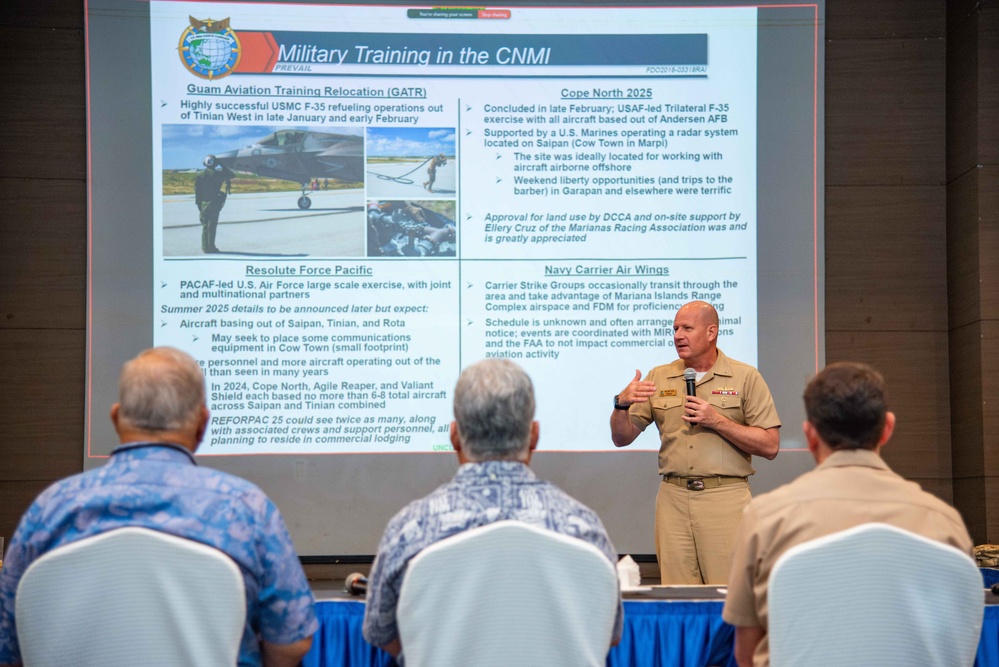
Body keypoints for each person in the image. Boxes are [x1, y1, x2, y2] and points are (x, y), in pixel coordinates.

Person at [0, 347, 317, 667]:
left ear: (115, 417)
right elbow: (292, 643)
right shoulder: (246, 509)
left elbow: (8, 645)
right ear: (203, 423)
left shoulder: (50, 509)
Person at [362, 358, 622, 658]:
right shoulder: (584, 529)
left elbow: (382, 633)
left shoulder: (409, 530)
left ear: (454, 436)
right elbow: (608, 634)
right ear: (534, 435)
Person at [722, 362, 973, 667]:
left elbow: (745, 656)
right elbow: (960, 647)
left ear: (810, 435)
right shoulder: (946, 523)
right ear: (888, 428)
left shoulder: (766, 519)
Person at [610, 300, 781, 584]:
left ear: (711, 332)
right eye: (675, 328)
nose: (678, 335)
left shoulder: (745, 376)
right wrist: (620, 405)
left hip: (725, 498)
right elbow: (621, 437)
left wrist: (716, 420)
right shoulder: (659, 376)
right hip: (673, 499)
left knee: (730, 595)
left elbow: (770, 445)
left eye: (687, 328)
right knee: (677, 595)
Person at [194, 154, 234, 254]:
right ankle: (211, 247)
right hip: (214, 203)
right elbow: (231, 174)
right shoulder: (218, 175)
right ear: (214, 163)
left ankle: (205, 247)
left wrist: (198, 203)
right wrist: (221, 164)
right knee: (212, 226)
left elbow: (197, 191)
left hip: (203, 203)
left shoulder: (200, 174)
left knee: (204, 226)